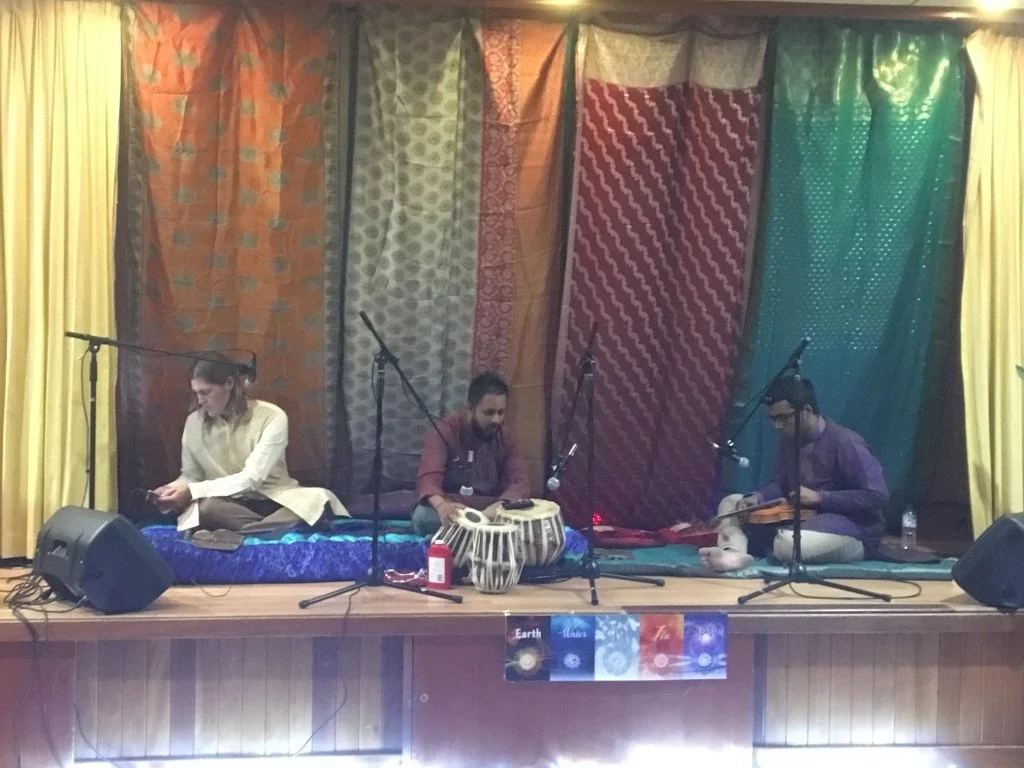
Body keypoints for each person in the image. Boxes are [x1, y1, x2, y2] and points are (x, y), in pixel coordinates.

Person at [152, 353, 349, 550]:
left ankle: (233, 537)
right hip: (232, 508)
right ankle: (260, 534)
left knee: (317, 502)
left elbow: (251, 479)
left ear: (229, 384)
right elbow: (191, 475)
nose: (200, 400)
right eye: (196, 393)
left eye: (205, 392)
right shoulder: (194, 422)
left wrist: (192, 491)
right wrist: (171, 490)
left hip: (277, 502)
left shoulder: (272, 417)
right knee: (206, 508)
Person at [700, 375, 888, 572]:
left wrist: (820, 498)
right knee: (731, 503)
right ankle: (734, 553)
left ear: (806, 410)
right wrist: (758, 497)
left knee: (788, 544)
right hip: (801, 520)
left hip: (851, 529)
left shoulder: (846, 442)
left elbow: (877, 496)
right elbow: (781, 485)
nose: (778, 426)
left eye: (783, 418)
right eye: (773, 419)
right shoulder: (790, 439)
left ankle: (764, 543)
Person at [412, 372, 530, 537]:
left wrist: (501, 505)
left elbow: (519, 481)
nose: (496, 419)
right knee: (423, 517)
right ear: (470, 409)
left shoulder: (505, 435)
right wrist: (441, 506)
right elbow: (429, 478)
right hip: (455, 509)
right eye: (489, 413)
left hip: (491, 509)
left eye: (501, 412)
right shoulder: (445, 431)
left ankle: (465, 535)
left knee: (529, 518)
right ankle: (483, 535)